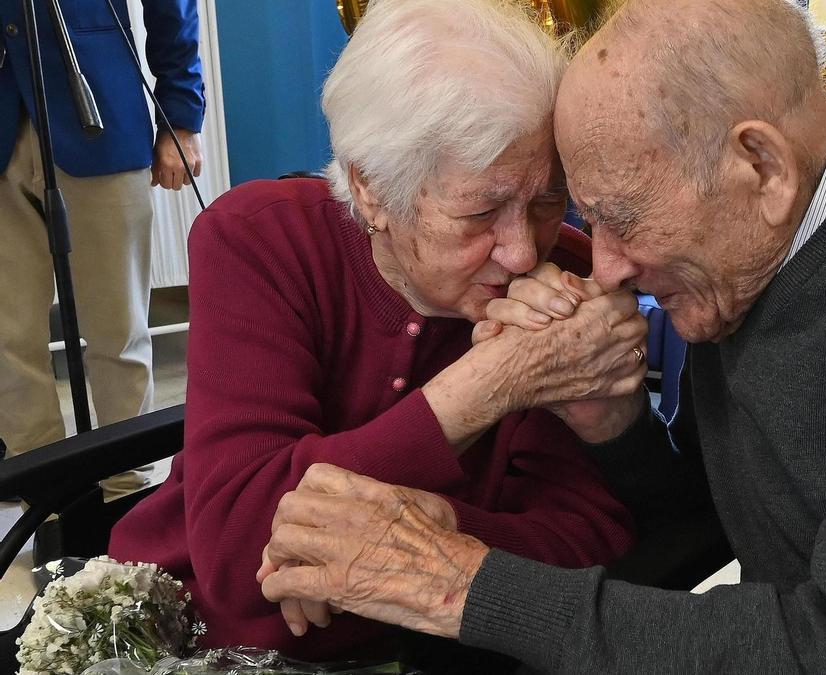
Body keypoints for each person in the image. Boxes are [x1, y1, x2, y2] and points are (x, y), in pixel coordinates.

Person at [259, 0, 826, 672]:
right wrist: (613, 421)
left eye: (622, 217)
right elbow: (742, 512)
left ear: (762, 165)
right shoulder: (745, 254)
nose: (610, 263)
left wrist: (458, 586)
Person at [109, 0, 640, 662]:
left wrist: (433, 536)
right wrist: (488, 385)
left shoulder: (562, 279)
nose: (523, 252)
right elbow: (237, 559)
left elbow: (595, 545)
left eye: (545, 201)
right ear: (371, 189)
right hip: (172, 631)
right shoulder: (260, 239)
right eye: (480, 212)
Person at [0, 0, 204, 495]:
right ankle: (44, 497)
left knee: (119, 328)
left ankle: (129, 491)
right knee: (8, 338)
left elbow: (171, 6)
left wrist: (180, 116)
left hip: (97, 111)